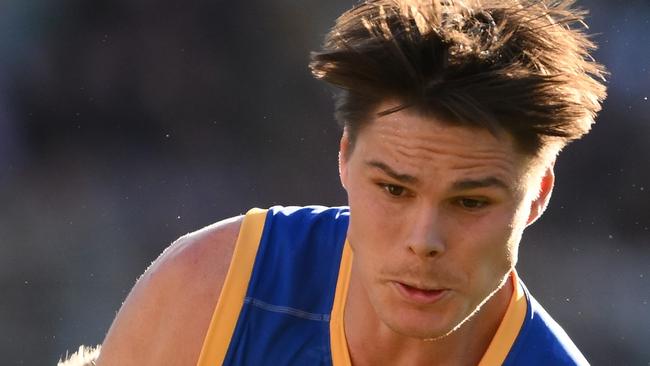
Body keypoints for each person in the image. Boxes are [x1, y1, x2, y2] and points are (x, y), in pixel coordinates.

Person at [95, 0, 607, 365]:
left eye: (470, 202)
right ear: (344, 158)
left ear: (538, 194)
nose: (423, 240)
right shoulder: (208, 291)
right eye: (394, 190)